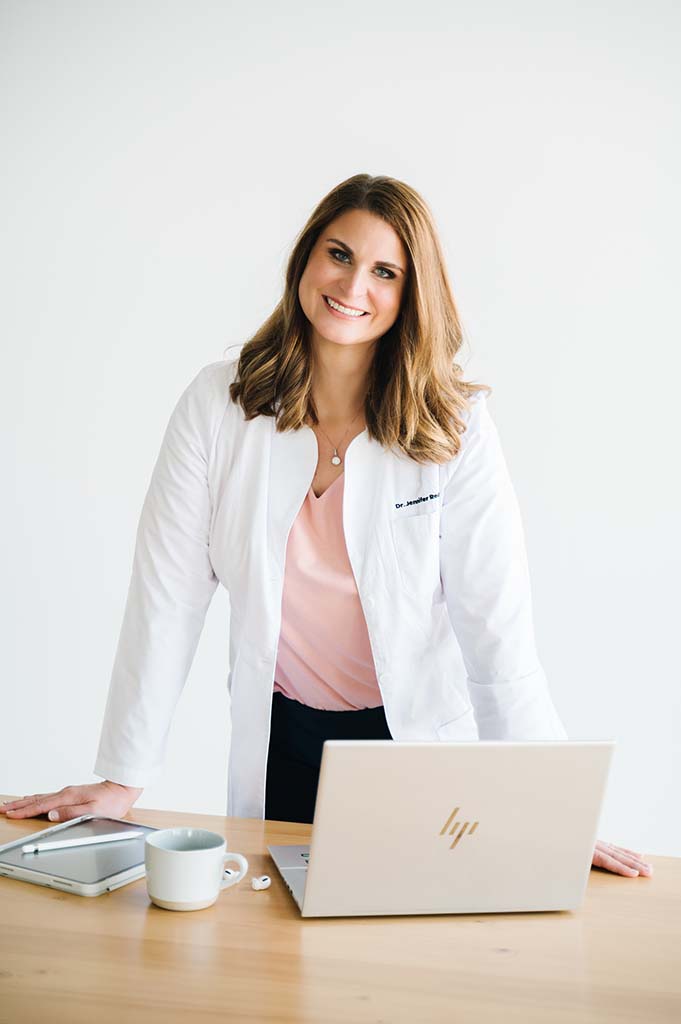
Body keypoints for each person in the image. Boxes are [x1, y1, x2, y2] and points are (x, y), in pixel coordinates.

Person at [1, 173, 652, 879]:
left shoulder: (455, 427)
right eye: (338, 254)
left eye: (384, 272)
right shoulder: (218, 406)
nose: (352, 285)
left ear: (412, 294)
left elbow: (495, 624)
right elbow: (167, 597)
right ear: (306, 257)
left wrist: (550, 807)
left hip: (410, 745)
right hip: (283, 740)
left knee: (413, 935)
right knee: (273, 938)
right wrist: (122, 775)